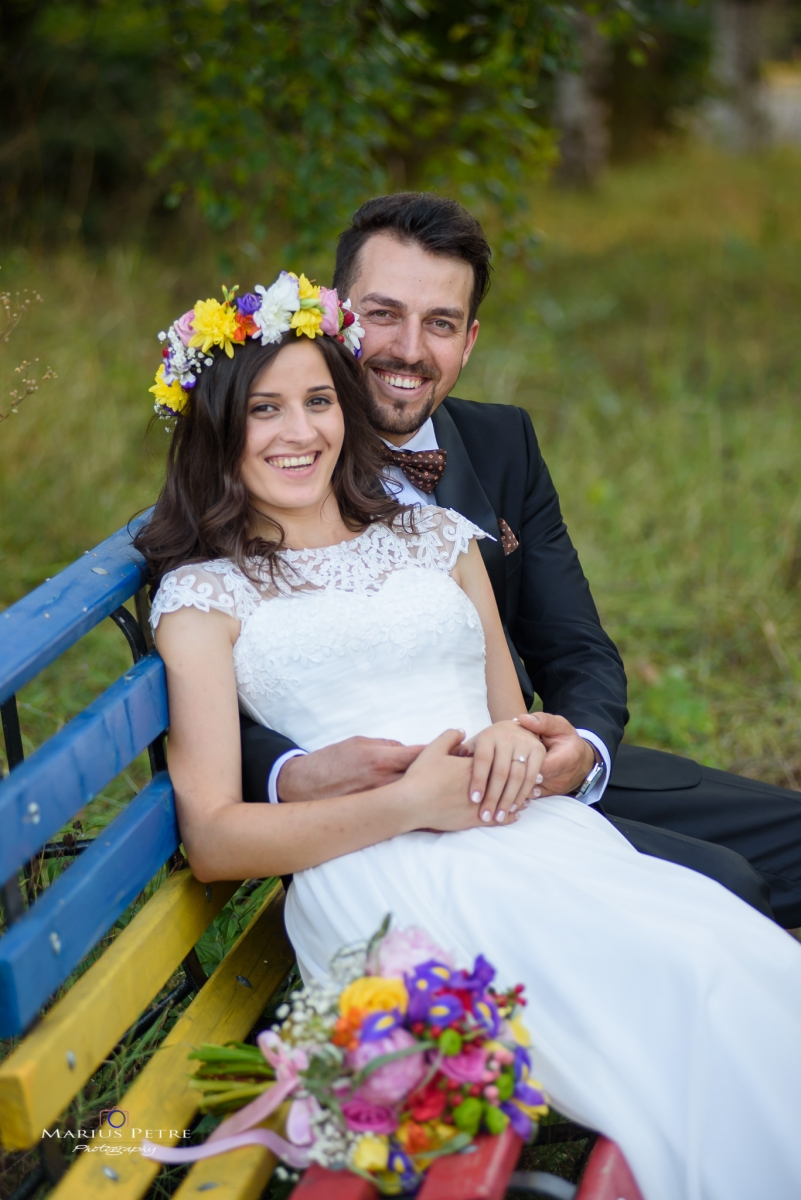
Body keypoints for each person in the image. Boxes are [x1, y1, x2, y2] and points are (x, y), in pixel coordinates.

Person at [136, 279, 801, 1200]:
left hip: (529, 834)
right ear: (216, 427)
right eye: (264, 410)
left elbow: (507, 716)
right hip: (380, 874)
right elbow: (212, 838)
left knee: (738, 958)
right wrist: (406, 803)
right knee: (681, 984)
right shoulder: (206, 598)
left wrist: (526, 747)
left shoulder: (437, 537)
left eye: (319, 401)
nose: (299, 432)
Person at [238, 194, 801, 930]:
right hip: (385, 814)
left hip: (526, 773)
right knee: (722, 889)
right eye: (383, 314)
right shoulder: (269, 458)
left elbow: (575, 644)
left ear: (468, 342)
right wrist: (289, 771)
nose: (409, 349)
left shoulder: (504, 443)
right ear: (336, 316)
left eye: (438, 323)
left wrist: (581, 749)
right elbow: (218, 682)